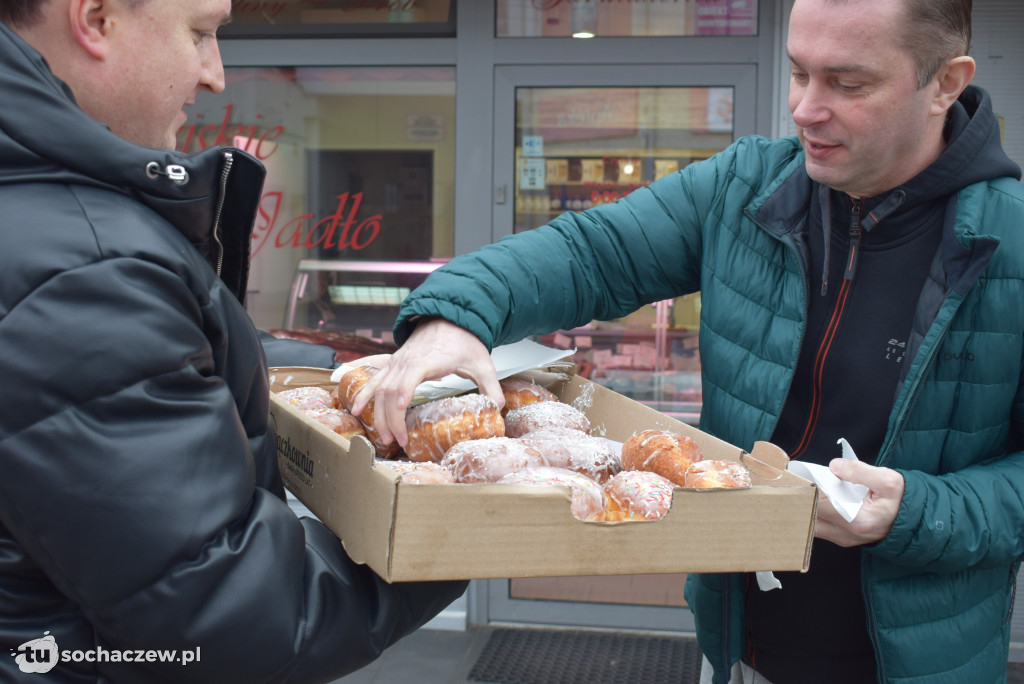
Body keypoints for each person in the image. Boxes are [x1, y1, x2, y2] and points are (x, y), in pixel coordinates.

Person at [350, 0, 1024, 681]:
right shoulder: (744, 187)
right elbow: (593, 252)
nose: (806, 109)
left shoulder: (1013, 245)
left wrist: (918, 512)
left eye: (848, 85)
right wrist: (457, 313)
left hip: (923, 664)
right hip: (737, 648)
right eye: (798, 74)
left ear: (946, 82)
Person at [0, 1, 467, 682]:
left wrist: (347, 368)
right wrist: (477, 530)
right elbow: (233, 618)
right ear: (96, 18)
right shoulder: (84, 268)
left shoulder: (46, 225)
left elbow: (137, 367)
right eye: (200, 32)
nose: (215, 74)